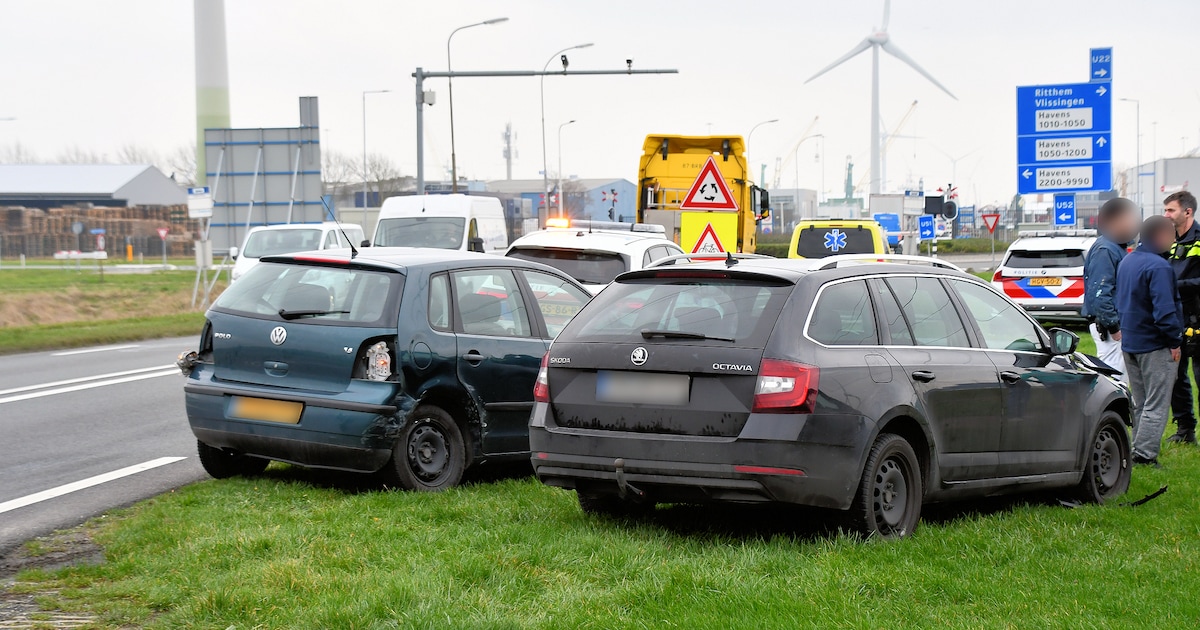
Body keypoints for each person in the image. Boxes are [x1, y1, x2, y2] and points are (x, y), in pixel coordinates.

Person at [1116, 215, 1184, 467]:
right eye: (1172, 235)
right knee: (1156, 404)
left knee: (1142, 403)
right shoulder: (1159, 267)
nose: (1174, 240)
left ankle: (1136, 448)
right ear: (1161, 236)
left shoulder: (1128, 261)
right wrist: (1174, 341)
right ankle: (1144, 456)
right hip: (1155, 345)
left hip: (1131, 342)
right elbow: (1164, 310)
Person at [1082, 197, 1139, 377]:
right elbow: (1099, 292)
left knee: (1121, 378)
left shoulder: (1115, 246)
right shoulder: (1106, 249)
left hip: (1115, 326)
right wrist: (1114, 327)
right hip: (1110, 330)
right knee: (1115, 379)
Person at [1164, 190, 1200, 443]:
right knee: (1176, 377)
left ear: (1187, 212)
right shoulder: (1167, 240)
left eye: (1170, 210)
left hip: (1198, 319)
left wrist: (1175, 285)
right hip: (1176, 318)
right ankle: (1185, 429)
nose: (1166, 215)